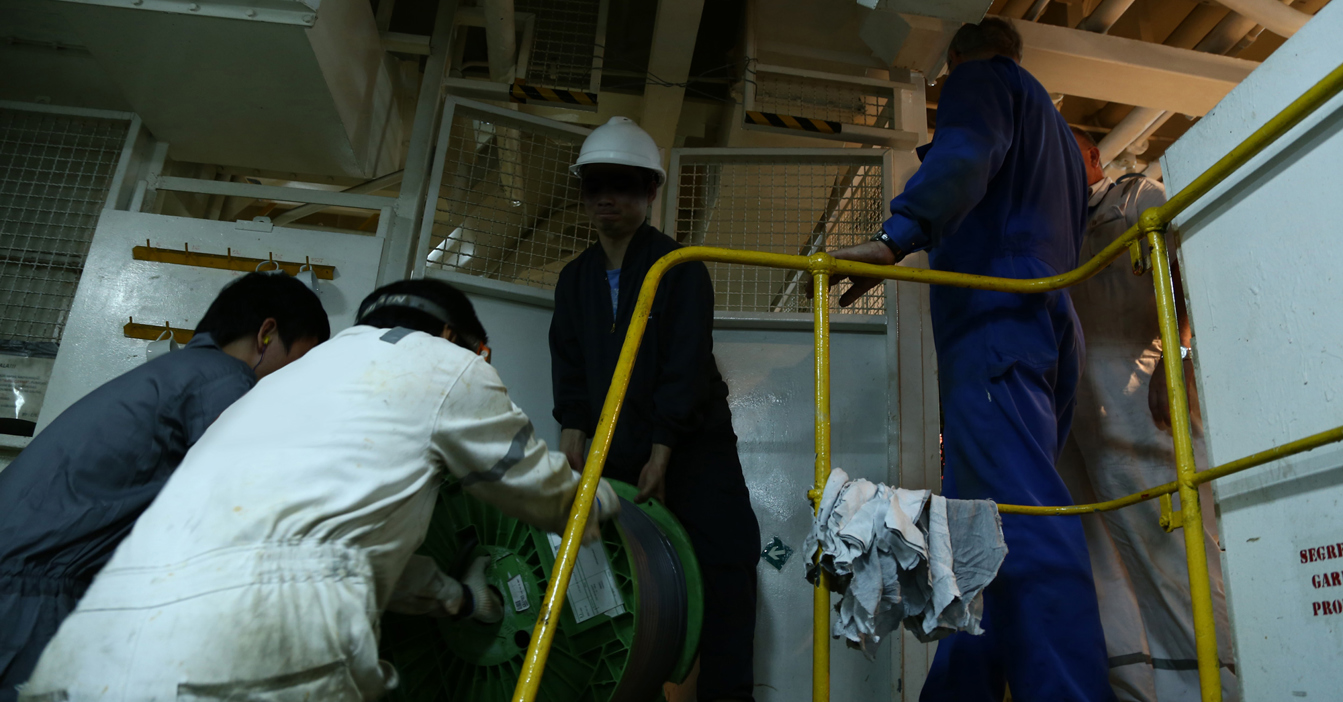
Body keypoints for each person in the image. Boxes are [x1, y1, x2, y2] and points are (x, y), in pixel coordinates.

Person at [19, 279, 620, 701]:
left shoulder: (275, 388)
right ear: (451, 336)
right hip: (255, 657)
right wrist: (605, 501)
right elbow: (546, 494)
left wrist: (459, 600)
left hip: (93, 649)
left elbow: (328, 547)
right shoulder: (446, 364)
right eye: (480, 352)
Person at [822, 18, 1114, 701]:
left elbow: (965, 150)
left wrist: (898, 236)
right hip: (1040, 323)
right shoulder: (1056, 134)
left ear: (954, 62)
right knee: (981, 531)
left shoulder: (979, 83)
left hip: (992, 318)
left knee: (1024, 522)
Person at [0, 272, 328, 701]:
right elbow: (242, 501)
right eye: (301, 360)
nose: (297, 380)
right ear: (267, 333)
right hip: (26, 588)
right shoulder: (225, 379)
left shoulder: (178, 371)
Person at [550, 116, 761, 702]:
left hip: (695, 447)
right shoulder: (574, 281)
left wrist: (664, 448)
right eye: (594, 185)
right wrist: (572, 426)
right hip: (613, 453)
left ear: (651, 191)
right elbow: (568, 360)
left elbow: (687, 362)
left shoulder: (678, 267)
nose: (606, 197)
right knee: (621, 581)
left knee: (727, 564)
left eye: (622, 183)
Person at [1059, 127, 1236, 701]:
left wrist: (1172, 357)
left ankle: (1213, 685)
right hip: (1081, 415)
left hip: (1141, 401)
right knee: (1104, 563)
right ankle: (1134, 689)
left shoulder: (1139, 196)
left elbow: (1187, 270)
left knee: (1174, 555)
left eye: (1064, 147)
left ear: (1092, 155)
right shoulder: (1055, 224)